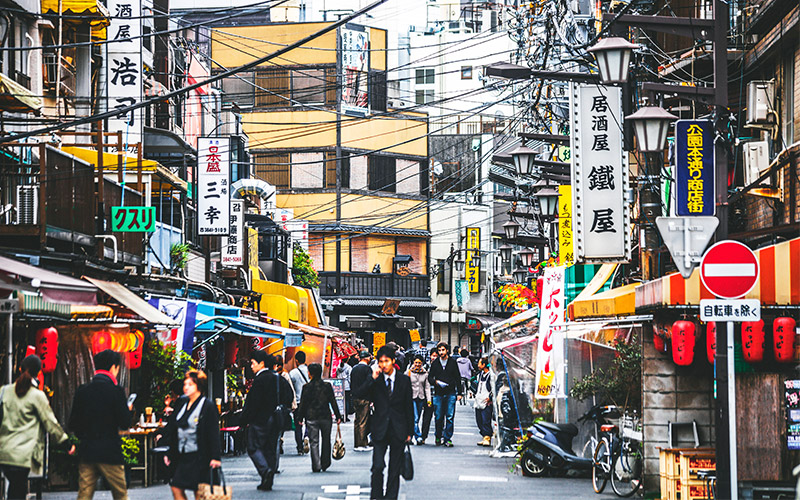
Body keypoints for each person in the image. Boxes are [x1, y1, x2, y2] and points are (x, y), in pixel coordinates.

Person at [0, 355, 75, 499]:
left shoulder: (4, 391)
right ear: (39, 372)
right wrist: (66, 444)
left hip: (4, 452)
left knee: (15, 488)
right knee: (18, 489)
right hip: (23, 454)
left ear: (20, 369)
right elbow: (51, 423)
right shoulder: (37, 396)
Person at [69, 350, 133, 500]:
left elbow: (73, 424)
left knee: (84, 495)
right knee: (120, 495)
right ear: (113, 368)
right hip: (110, 452)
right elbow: (124, 423)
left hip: (88, 451)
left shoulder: (82, 391)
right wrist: (127, 410)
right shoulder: (116, 391)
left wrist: (84, 436)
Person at [353, 345, 414, 500]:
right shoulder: (376, 379)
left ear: (393, 361)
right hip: (380, 428)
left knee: (395, 467)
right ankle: (376, 496)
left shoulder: (404, 380)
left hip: (398, 428)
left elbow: (408, 407)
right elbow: (359, 393)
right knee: (377, 466)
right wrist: (371, 378)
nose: (384, 365)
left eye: (387, 361)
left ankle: (391, 497)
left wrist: (410, 432)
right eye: (381, 361)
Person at [160, 370, 221, 499]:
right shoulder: (182, 403)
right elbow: (174, 428)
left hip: (200, 456)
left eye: (190, 384)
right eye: (185, 384)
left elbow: (213, 432)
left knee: (199, 491)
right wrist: (170, 452)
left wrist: (215, 457)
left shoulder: (207, 406)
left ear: (199, 386)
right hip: (183, 455)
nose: (186, 387)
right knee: (176, 486)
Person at [240, 350, 293, 491]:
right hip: (276, 419)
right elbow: (289, 396)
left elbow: (252, 403)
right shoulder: (278, 378)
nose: (251, 366)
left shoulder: (259, 380)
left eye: (252, 363)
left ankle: (265, 471)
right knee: (270, 448)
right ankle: (267, 478)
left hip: (260, 420)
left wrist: (244, 419)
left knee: (253, 447)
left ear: (261, 363)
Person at [295, 363, 343, 472]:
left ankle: (316, 465)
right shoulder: (327, 386)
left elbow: (303, 404)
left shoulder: (306, 387)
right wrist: (338, 415)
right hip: (325, 416)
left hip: (311, 417)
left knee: (314, 441)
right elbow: (333, 401)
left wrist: (300, 417)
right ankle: (325, 463)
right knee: (326, 440)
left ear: (310, 373)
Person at [428, 342, 462, 447]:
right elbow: (430, 377)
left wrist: (459, 393)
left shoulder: (452, 362)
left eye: (443, 350)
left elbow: (457, 377)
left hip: (450, 392)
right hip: (438, 392)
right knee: (438, 416)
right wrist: (435, 382)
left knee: (450, 416)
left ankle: (447, 438)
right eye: (439, 350)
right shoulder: (435, 363)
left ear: (447, 350)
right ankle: (438, 435)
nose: (441, 352)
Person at [273, 355, 296, 458]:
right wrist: (292, 404)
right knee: (279, 428)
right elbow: (291, 390)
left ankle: (278, 442)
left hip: (275, 406)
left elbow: (290, 390)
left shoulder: (275, 375)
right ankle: (279, 441)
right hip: (282, 406)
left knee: (277, 427)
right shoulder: (284, 375)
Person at [405, 355, 431, 445]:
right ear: (413, 363)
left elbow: (427, 387)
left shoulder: (425, 373)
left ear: (422, 363)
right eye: (416, 362)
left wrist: (429, 400)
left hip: (421, 397)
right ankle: (418, 436)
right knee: (415, 418)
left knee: (417, 418)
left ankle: (410, 437)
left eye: (419, 363)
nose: (417, 364)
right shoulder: (408, 373)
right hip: (411, 398)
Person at [350, 350, 372, 451]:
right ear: (366, 358)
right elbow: (369, 383)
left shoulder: (354, 369)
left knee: (357, 420)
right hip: (364, 398)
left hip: (355, 397)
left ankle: (356, 443)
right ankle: (362, 444)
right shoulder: (368, 369)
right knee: (363, 421)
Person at [289, 351, 310, 455]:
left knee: (298, 425)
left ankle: (300, 448)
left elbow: (290, 388)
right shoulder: (310, 371)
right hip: (309, 403)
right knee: (308, 422)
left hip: (297, 403)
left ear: (296, 360)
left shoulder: (292, 373)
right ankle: (306, 436)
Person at [474, 357, 494, 446]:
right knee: (479, 419)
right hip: (478, 400)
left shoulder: (491, 376)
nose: (478, 365)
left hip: (486, 401)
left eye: (479, 363)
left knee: (486, 419)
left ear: (484, 365)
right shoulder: (480, 374)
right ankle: (483, 436)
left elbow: (493, 388)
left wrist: (490, 398)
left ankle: (487, 437)